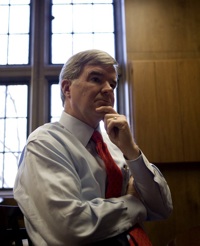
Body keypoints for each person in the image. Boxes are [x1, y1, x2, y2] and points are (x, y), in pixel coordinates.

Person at [14, 49, 173, 246]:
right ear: (67, 88)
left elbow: (162, 208)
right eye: (96, 79)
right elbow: (71, 227)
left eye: (112, 84)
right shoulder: (44, 144)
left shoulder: (116, 145)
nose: (108, 89)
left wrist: (132, 151)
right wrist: (132, 202)